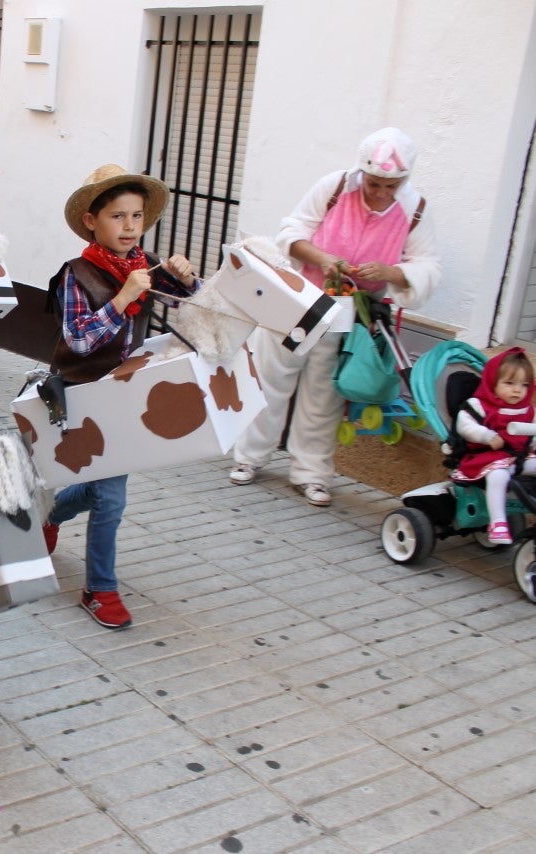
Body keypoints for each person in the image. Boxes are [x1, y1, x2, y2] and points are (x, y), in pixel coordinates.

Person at [230, 128, 442, 506]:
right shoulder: (335, 186)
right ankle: (249, 456)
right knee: (271, 377)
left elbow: (427, 265)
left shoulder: (414, 208)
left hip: (347, 312)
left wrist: (391, 272)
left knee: (324, 391)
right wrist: (323, 259)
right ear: (362, 171)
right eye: (374, 184)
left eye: (391, 186)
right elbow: (292, 232)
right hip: (300, 299)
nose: (381, 193)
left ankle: (311, 473)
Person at [42, 164, 199, 629]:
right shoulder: (76, 274)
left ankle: (47, 515)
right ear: (91, 221)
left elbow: (191, 305)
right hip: (82, 395)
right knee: (110, 495)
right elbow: (79, 340)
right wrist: (121, 298)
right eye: (118, 216)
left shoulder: (142, 265)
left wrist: (188, 279)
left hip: (124, 392)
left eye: (137, 216)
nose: (130, 227)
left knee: (102, 488)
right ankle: (100, 589)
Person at [450, 348, 536, 545]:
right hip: (488, 457)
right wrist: (487, 436)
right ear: (492, 382)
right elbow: (465, 426)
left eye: (524, 385)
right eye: (509, 383)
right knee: (498, 476)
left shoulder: (528, 411)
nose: (517, 390)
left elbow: (532, 435)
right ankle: (497, 523)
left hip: (520, 457)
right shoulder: (478, 406)